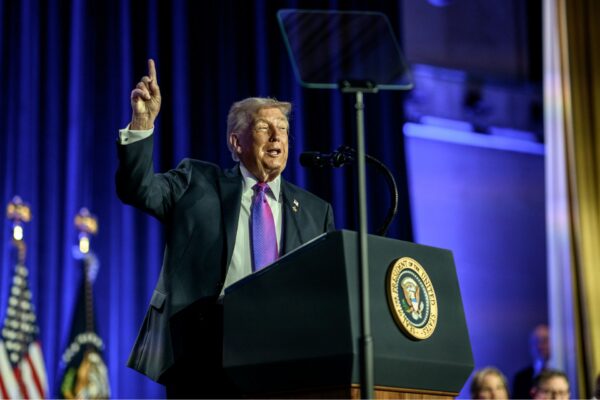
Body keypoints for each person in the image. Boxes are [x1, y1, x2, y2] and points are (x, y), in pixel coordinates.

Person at [116, 59, 335, 398]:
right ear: (236, 142)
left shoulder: (315, 212)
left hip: (285, 361)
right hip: (204, 352)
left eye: (283, 129)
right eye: (264, 127)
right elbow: (138, 189)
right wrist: (142, 123)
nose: (278, 136)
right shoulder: (197, 182)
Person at [512, 324, 551, 399]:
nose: (541, 345)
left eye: (545, 340)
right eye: (537, 341)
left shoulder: (564, 372)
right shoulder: (520, 378)